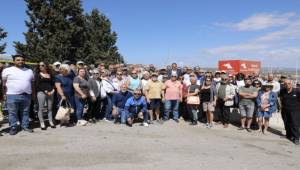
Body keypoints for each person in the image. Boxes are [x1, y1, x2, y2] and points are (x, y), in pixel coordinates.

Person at [1, 54, 35, 135]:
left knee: (25, 112)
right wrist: (4, 94)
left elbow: (32, 83)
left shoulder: (29, 71)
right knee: (12, 112)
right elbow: (3, 83)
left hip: (26, 95)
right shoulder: (7, 70)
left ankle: (25, 126)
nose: (20, 61)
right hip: (12, 95)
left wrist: (33, 94)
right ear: (14, 61)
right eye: (18, 60)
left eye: (22, 60)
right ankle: (13, 127)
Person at [35, 61, 56, 130]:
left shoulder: (50, 74)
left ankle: (50, 121)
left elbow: (53, 83)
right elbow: (38, 85)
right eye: (39, 65)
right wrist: (45, 91)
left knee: (49, 108)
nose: (40, 66)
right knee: (41, 108)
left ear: (46, 66)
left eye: (42, 65)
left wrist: (53, 90)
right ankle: (42, 123)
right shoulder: (37, 74)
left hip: (51, 93)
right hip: (41, 93)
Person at [279, 79, 300, 145]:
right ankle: (289, 135)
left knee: (294, 124)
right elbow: (280, 98)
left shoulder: (297, 91)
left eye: (289, 83)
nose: (287, 85)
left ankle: (296, 138)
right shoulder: (283, 91)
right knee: (286, 123)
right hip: (285, 110)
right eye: (285, 84)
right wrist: (280, 107)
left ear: (292, 84)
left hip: (295, 111)